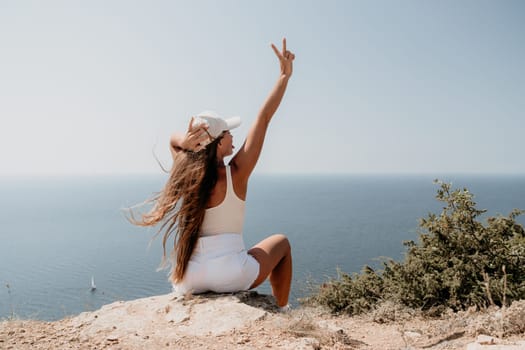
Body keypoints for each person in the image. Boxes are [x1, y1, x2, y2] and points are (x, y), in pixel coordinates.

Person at [132, 38, 295, 309]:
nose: (234, 137)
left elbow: (173, 141)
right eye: (229, 133)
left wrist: (185, 142)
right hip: (232, 273)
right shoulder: (237, 173)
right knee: (282, 243)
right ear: (219, 143)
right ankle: (282, 309)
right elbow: (263, 117)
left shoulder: (186, 175)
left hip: (189, 278)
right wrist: (284, 77)